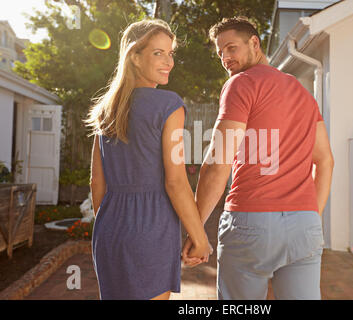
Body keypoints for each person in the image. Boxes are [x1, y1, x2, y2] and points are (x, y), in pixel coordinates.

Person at [182, 17, 334, 300]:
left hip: (252, 223)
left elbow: (218, 164)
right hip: (305, 228)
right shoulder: (303, 93)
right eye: (220, 53)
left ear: (255, 43)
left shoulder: (242, 84)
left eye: (231, 48)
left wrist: (196, 229)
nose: (226, 58)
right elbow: (325, 161)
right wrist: (312, 214)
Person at [84, 19, 211, 300]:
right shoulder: (168, 106)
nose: (169, 61)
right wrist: (199, 238)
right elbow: (176, 182)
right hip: (151, 231)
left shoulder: (107, 109)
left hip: (109, 231)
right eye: (158, 53)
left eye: (170, 53)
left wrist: (115, 226)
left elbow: (97, 183)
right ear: (134, 56)